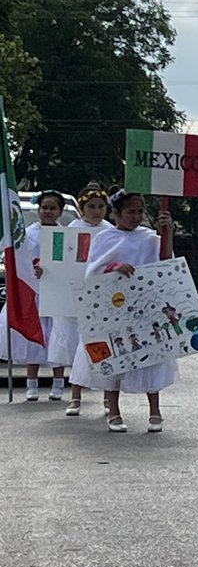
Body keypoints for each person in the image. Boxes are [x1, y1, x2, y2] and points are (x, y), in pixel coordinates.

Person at [71, 187, 175, 433]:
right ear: (117, 213)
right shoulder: (106, 238)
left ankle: (155, 410)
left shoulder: (150, 237)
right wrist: (114, 267)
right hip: (116, 307)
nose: (136, 216)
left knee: (152, 353)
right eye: (130, 212)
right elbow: (93, 272)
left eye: (140, 211)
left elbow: (166, 261)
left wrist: (168, 231)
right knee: (115, 355)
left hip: (145, 306)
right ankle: (114, 410)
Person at [47, 183, 114, 416]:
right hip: (74, 299)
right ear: (82, 208)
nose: (96, 211)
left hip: (101, 299)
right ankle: (75, 396)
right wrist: (44, 270)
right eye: (91, 207)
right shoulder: (70, 230)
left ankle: (108, 397)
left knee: (105, 348)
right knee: (78, 348)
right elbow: (56, 260)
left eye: (101, 207)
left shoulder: (110, 232)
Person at [0, 190, 67, 401]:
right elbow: (17, 261)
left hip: (57, 291)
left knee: (57, 335)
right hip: (34, 291)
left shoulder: (65, 235)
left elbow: (67, 261)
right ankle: (32, 383)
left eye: (52, 208)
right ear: (39, 209)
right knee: (33, 335)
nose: (48, 211)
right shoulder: (27, 234)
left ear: (60, 211)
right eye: (44, 207)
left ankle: (58, 383)